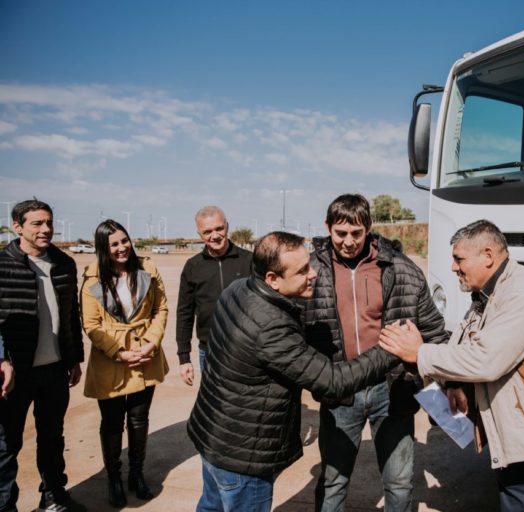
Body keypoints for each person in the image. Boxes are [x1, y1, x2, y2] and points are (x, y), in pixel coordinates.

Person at [379, 219, 524, 512]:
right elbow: (466, 347)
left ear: (488, 256)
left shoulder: (523, 294)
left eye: (459, 259)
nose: (453, 267)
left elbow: (487, 360)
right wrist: (454, 384)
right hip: (517, 444)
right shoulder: (486, 296)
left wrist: (420, 353)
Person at [187, 232, 402, 512]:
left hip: (213, 436)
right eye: (302, 271)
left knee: (211, 507)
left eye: (309, 264)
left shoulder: (238, 288)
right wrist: (390, 349)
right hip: (243, 456)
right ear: (272, 279)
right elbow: (333, 381)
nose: (313, 273)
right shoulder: (270, 327)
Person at [304, 193, 447, 512]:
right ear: (328, 228)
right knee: (333, 482)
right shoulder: (310, 270)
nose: (349, 241)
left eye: (357, 233)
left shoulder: (401, 268)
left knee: (399, 482)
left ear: (369, 227)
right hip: (340, 390)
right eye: (340, 233)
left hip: (392, 388)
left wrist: (447, 387)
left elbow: (433, 327)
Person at [0, 199, 85, 512]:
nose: (46, 229)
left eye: (48, 222)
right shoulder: (3, 264)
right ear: (18, 227)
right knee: (7, 446)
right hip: (15, 373)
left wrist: (74, 357)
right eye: (36, 223)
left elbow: (70, 315)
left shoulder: (63, 263)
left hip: (54, 371)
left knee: (52, 439)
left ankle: (53, 496)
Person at [80, 220, 169, 508]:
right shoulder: (92, 278)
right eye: (114, 244)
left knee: (139, 419)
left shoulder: (147, 269)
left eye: (124, 241)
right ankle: (114, 479)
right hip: (111, 359)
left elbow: (161, 308)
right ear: (103, 249)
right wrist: (119, 353)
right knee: (112, 422)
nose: (122, 248)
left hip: (146, 354)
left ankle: (137, 474)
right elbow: (91, 324)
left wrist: (152, 343)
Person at [176, 206, 251, 386]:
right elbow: (184, 313)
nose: (215, 235)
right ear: (200, 234)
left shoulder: (249, 260)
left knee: (246, 407)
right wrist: (184, 357)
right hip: (209, 351)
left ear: (227, 226)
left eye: (219, 228)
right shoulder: (193, 266)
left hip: (247, 349)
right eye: (207, 232)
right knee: (215, 407)